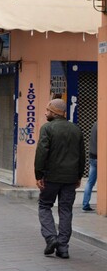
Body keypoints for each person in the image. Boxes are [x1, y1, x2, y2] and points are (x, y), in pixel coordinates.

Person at [34, 98, 85, 259]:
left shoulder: (47, 128)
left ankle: (51, 238)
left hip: (51, 177)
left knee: (44, 206)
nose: (45, 113)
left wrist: (39, 175)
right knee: (65, 210)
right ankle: (63, 247)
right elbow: (82, 156)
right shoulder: (76, 129)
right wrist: (78, 176)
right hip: (70, 178)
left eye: (47, 111)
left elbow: (42, 152)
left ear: (54, 112)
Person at [82, 121, 98, 212]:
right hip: (101, 157)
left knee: (90, 182)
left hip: (92, 156)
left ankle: (85, 204)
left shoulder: (95, 124)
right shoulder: (103, 124)